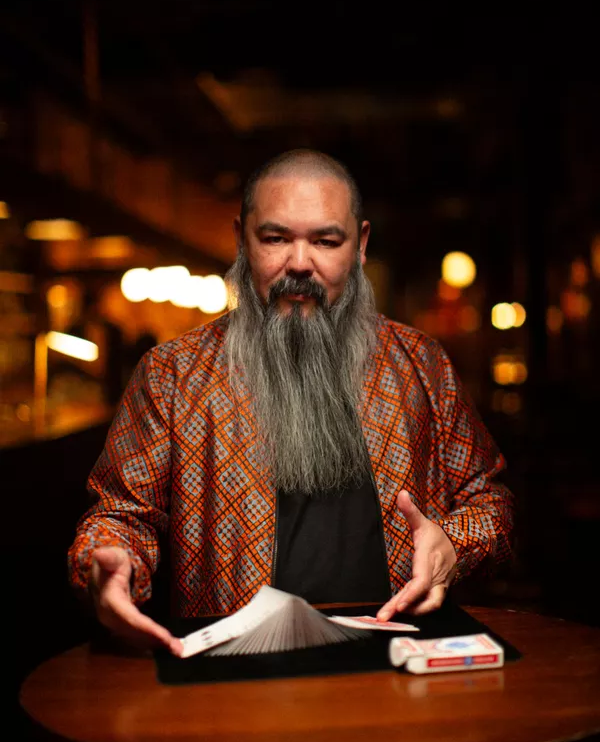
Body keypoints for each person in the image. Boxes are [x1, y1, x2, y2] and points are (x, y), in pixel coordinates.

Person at [68, 150, 514, 656]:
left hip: (396, 669)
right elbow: (123, 516)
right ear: (241, 240)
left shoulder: (421, 364)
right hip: (235, 681)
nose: (300, 263)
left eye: (326, 240)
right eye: (276, 238)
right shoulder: (173, 374)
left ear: (360, 245)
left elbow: (491, 503)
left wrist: (453, 543)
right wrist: (106, 564)